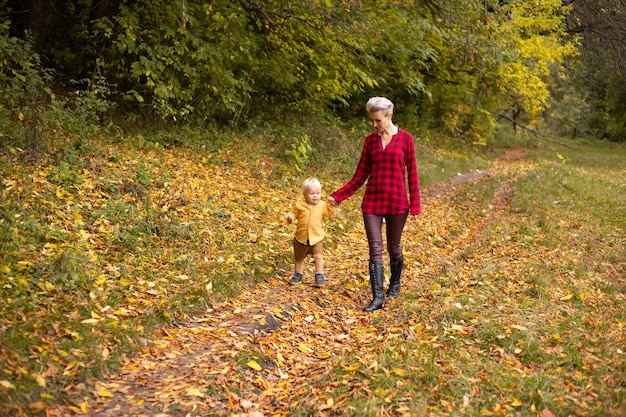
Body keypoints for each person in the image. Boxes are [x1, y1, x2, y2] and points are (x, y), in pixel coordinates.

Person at [329, 97, 420, 312]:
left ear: (388, 116)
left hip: (398, 203)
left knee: (393, 247)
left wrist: (415, 204)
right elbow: (360, 175)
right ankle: (378, 297)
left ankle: (395, 283)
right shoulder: (370, 141)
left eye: (378, 120)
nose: (374, 125)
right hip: (372, 203)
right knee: (375, 250)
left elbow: (413, 174)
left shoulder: (406, 139)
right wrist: (338, 196)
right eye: (372, 120)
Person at [286, 177, 337, 288]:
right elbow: (294, 214)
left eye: (318, 193)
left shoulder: (322, 205)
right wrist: (290, 217)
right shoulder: (299, 205)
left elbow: (329, 213)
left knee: (318, 256)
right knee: (299, 258)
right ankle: (298, 274)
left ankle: (319, 275)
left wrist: (332, 206)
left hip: (316, 237)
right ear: (305, 194)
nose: (315, 196)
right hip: (301, 237)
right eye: (312, 193)